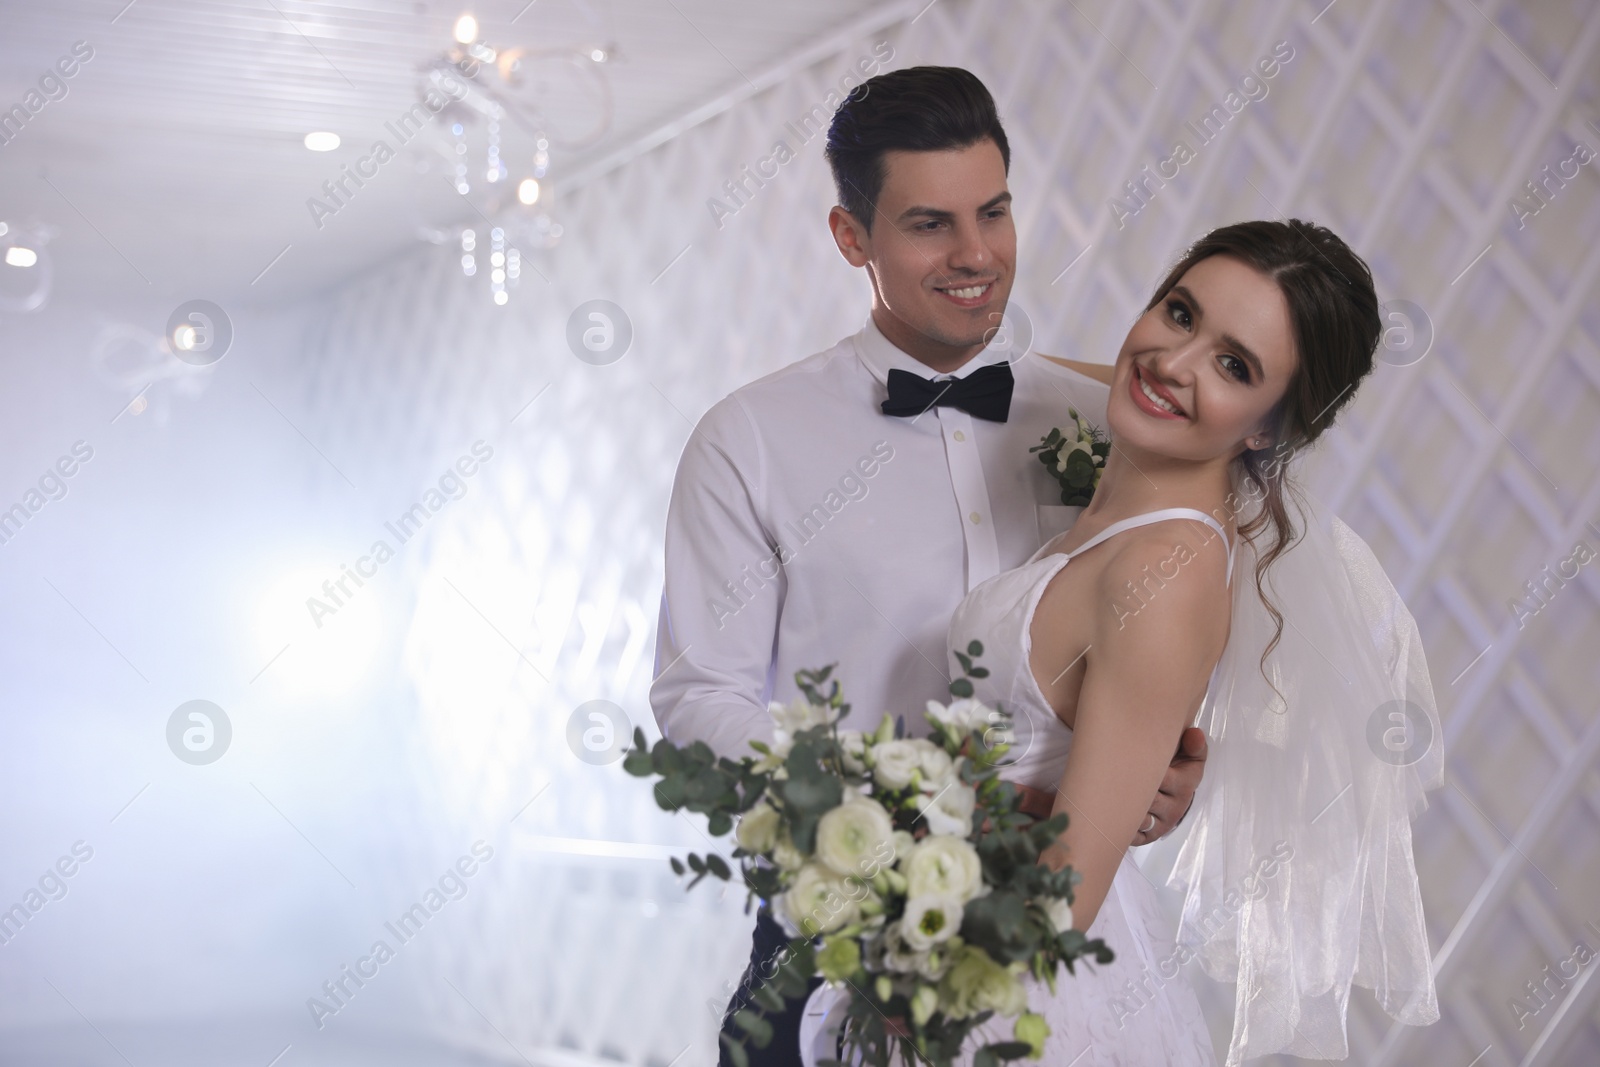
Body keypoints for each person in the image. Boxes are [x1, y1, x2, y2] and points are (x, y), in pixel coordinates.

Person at [648, 67, 1209, 1066]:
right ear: (850, 237)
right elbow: (701, 695)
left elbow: (1155, 632)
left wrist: (1153, 773)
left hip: (1071, 963)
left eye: (994, 211)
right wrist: (873, 826)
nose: (977, 255)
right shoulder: (750, 439)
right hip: (833, 952)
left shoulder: (1099, 424)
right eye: (929, 224)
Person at [917, 217, 1440, 1064]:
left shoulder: (1162, 566)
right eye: (1180, 312)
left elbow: (1063, 899)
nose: (1174, 362)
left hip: (1005, 988)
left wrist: (906, 896)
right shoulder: (1134, 506)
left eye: (1235, 366)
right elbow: (1051, 374)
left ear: (1268, 427)